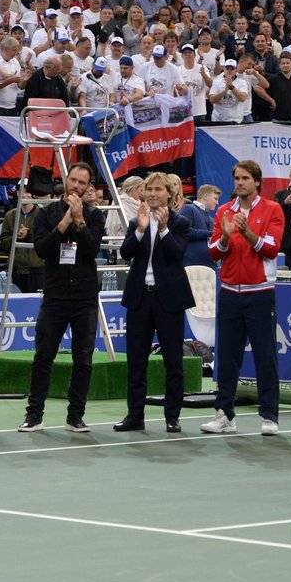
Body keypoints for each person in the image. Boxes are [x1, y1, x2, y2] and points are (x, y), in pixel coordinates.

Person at [19, 162, 106, 434]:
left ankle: (75, 416)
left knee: (83, 359)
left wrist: (79, 221)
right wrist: (66, 221)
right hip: (55, 296)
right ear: (66, 181)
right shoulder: (46, 213)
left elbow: (92, 250)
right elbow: (42, 249)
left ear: (88, 187)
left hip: (85, 298)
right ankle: (34, 415)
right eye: (73, 181)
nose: (76, 187)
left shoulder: (94, 216)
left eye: (82, 183)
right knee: (43, 357)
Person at [203, 160, 284, 435]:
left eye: (245, 178)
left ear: (257, 182)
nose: (240, 183)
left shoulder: (272, 209)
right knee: (227, 357)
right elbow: (214, 253)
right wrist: (226, 236)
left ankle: (270, 416)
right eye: (237, 178)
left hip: (260, 294)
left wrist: (247, 232)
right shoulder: (224, 212)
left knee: (265, 356)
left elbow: (271, 250)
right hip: (228, 295)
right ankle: (224, 414)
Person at [114, 172, 195, 433]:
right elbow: (125, 253)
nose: (152, 194)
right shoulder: (137, 220)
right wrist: (139, 229)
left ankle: (172, 416)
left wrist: (162, 229)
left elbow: (176, 254)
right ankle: (134, 415)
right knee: (136, 361)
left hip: (168, 298)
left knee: (173, 360)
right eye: (148, 189)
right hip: (139, 298)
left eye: (158, 189)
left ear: (169, 194)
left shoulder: (180, 222)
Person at [0, 186, 46, 294]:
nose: (25, 195)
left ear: (33, 195)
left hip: (37, 270)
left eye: (27, 192)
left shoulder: (42, 214)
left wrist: (28, 235)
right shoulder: (10, 216)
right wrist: (16, 237)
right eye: (22, 193)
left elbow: (46, 240)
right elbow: (4, 242)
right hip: (16, 270)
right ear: (17, 194)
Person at [179, 184, 221, 268]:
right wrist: (212, 233)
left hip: (209, 265)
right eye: (215, 199)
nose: (217, 202)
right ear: (205, 196)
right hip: (191, 264)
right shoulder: (188, 208)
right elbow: (185, 232)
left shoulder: (211, 219)